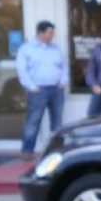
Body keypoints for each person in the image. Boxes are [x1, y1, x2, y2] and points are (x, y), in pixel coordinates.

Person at [15, 20, 67, 161]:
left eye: (53, 33)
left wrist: (63, 81)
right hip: (38, 90)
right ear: (40, 32)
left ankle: (56, 149)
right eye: (50, 32)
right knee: (33, 121)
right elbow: (22, 70)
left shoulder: (55, 48)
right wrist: (32, 86)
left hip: (56, 89)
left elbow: (63, 66)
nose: (52, 35)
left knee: (57, 121)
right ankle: (27, 151)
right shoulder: (26, 49)